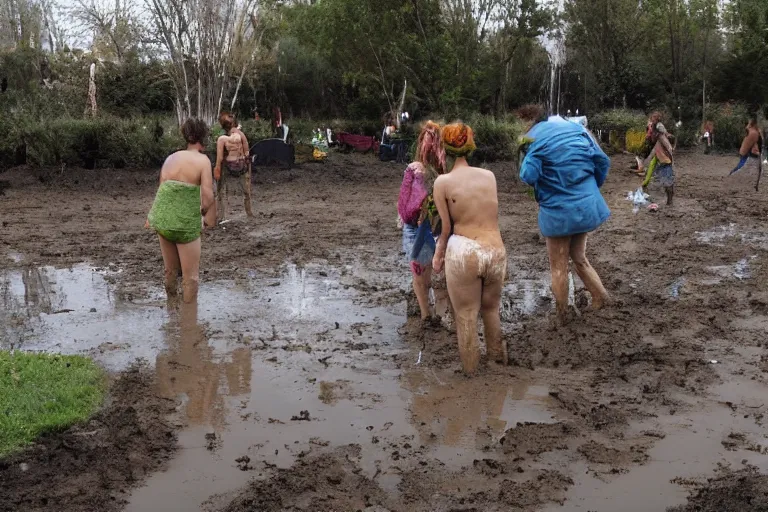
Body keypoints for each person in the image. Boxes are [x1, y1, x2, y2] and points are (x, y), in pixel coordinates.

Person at [519, 109, 611, 325]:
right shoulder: (578, 129)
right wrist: (591, 187)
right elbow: (603, 161)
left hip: (559, 213)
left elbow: (528, 175)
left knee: (559, 267)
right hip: (586, 206)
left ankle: (562, 315)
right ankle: (602, 298)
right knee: (580, 258)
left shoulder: (535, 138)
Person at [432, 123, 507, 375]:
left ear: (445, 148)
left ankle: (471, 375)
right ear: (470, 145)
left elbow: (445, 229)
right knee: (491, 310)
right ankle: (498, 363)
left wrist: (438, 256)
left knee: (465, 316)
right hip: (496, 249)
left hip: (465, 251)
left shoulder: (442, 182)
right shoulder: (489, 176)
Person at [146, 118, 215, 303]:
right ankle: (189, 323)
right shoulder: (203, 161)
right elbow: (207, 196)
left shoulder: (171, 158)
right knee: (190, 277)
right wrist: (203, 214)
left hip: (162, 220)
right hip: (184, 224)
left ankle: (171, 310)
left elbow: (162, 190)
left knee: (170, 270)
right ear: (204, 137)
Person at [397, 121, 451, 325]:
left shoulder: (448, 171)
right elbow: (403, 203)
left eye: (434, 141)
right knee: (421, 275)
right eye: (427, 140)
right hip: (417, 229)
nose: (429, 146)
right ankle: (425, 315)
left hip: (440, 228)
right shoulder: (413, 169)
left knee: (441, 275)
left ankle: (440, 313)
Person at [214, 112, 253, 222]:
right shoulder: (241, 135)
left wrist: (217, 168)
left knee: (220, 190)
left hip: (229, 164)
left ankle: (221, 216)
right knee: (246, 191)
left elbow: (220, 158)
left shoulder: (222, 139)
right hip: (241, 164)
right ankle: (249, 213)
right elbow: (247, 152)